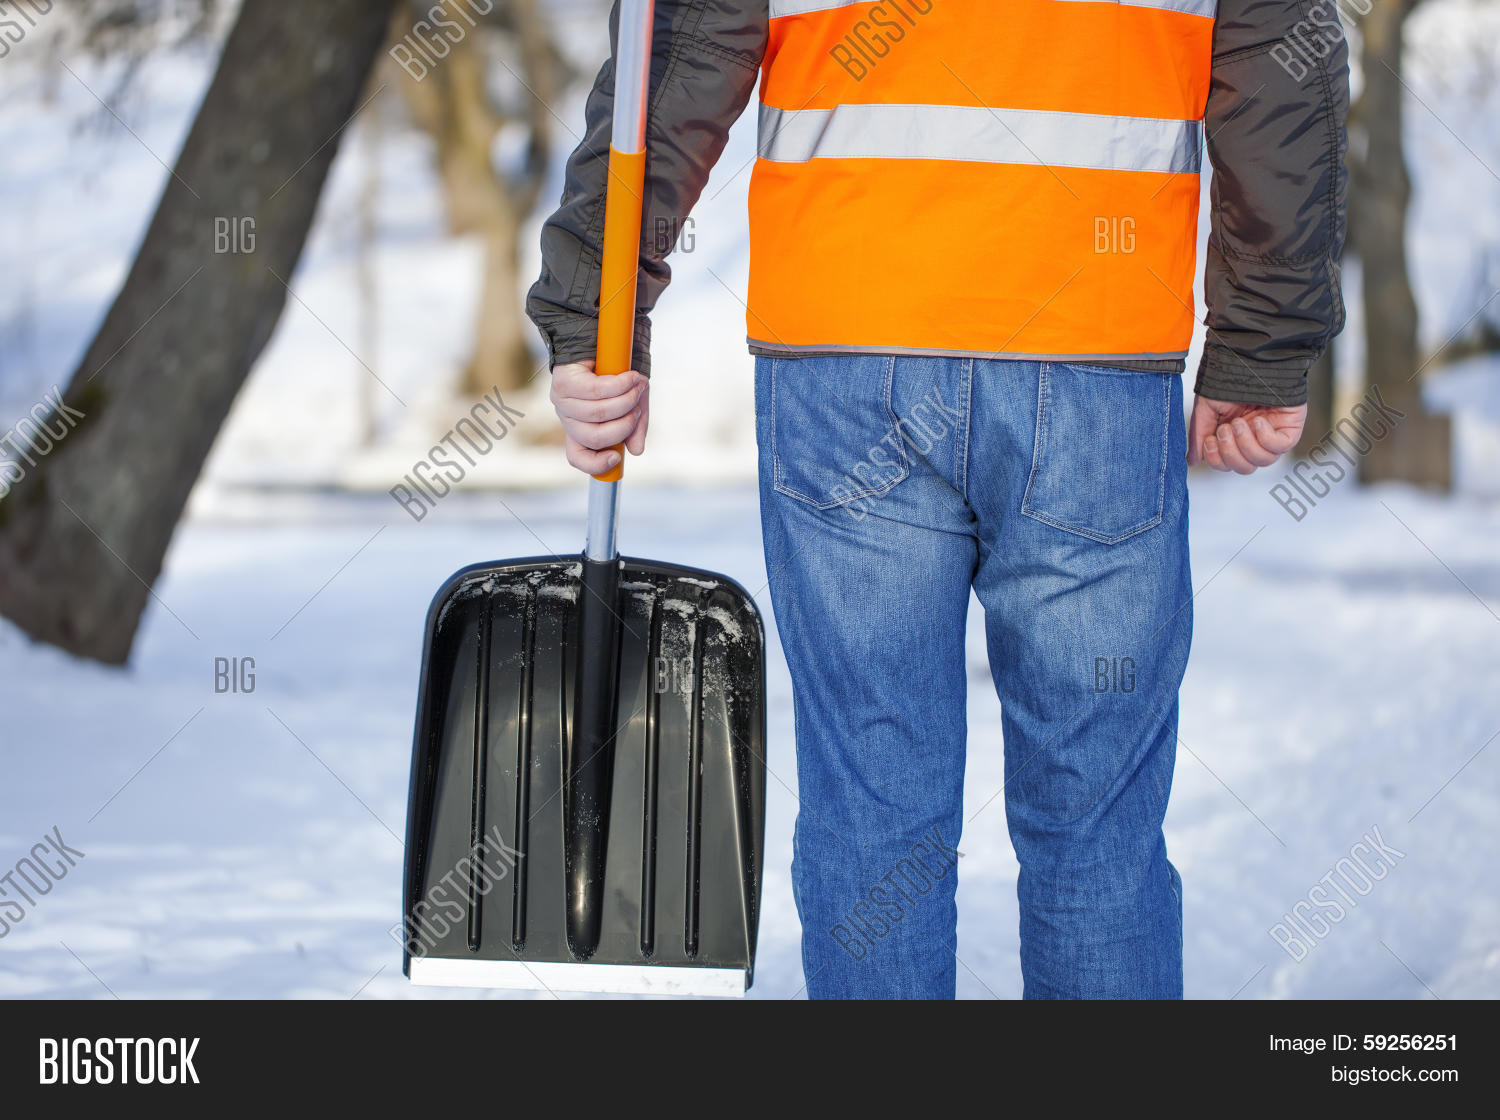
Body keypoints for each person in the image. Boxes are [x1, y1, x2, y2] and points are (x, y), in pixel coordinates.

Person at [528, 0, 1348, 999]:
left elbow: (684, 41)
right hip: (1096, 341)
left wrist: (595, 307)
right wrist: (1265, 340)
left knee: (874, 797)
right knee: (1097, 814)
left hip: (849, 340)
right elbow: (1279, 58)